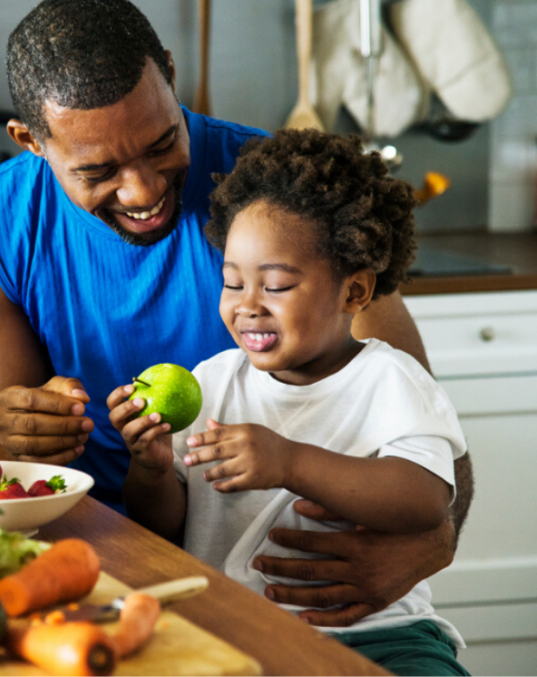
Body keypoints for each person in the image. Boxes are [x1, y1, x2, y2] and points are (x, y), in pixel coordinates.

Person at [0, 0, 475, 629]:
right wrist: (19, 429)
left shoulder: (277, 200)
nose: (143, 190)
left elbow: (429, 433)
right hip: (83, 565)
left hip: (295, 595)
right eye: (98, 170)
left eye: (163, 143)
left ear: (169, 71)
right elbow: (3, 460)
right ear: (32, 140)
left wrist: (430, 547)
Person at [109, 128, 469, 675]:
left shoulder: (391, 381)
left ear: (354, 292)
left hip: (379, 634)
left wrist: (290, 461)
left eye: (274, 286)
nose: (247, 307)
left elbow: (424, 501)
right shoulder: (213, 382)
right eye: (233, 283)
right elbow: (165, 528)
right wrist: (152, 469)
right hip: (233, 629)